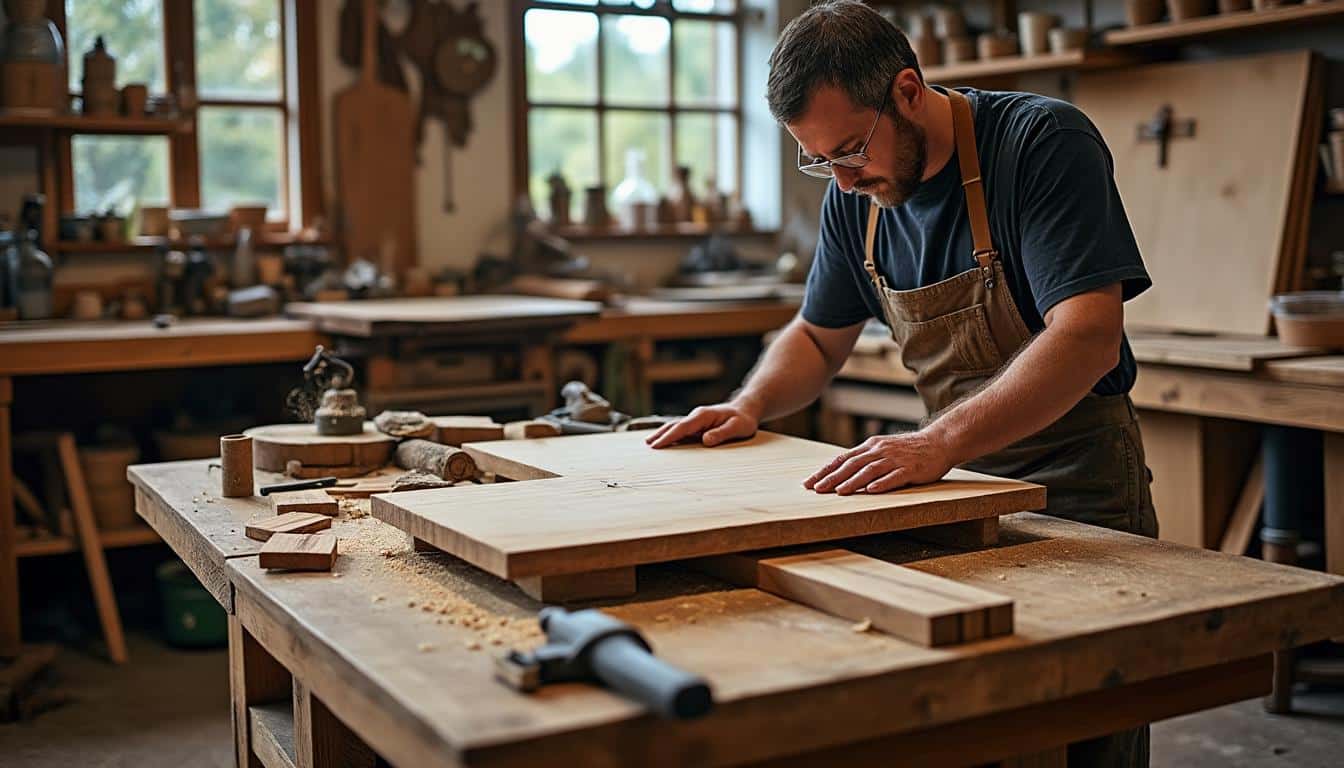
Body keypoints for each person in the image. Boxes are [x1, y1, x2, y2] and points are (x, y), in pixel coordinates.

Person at [645, 2, 1156, 764]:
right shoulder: (860, 199)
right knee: (974, 720)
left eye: (850, 150)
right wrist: (748, 404)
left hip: (1077, 483)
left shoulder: (1040, 143)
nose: (845, 181)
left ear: (909, 91)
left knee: (1084, 724)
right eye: (821, 161)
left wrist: (937, 442)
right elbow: (818, 338)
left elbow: (1085, 335)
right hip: (952, 492)